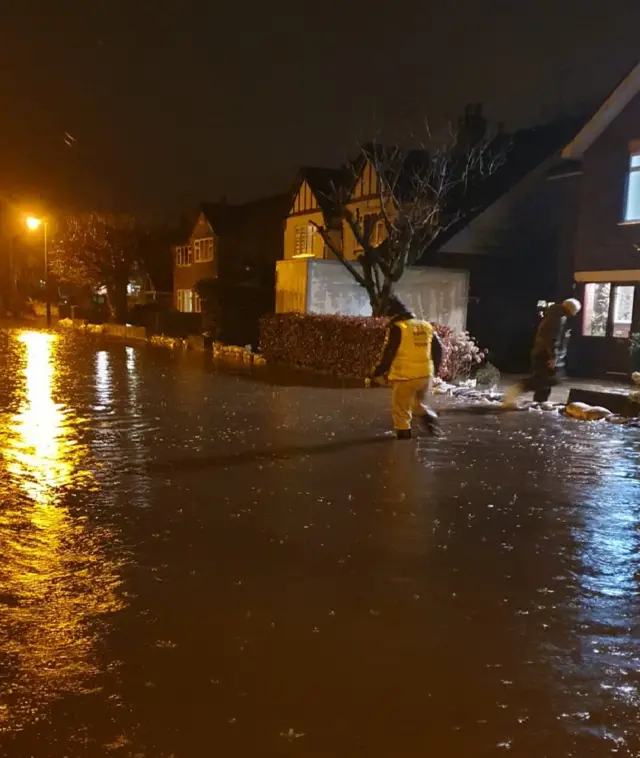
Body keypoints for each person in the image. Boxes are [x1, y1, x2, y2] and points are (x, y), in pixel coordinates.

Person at [371, 296, 443, 440]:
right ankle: (432, 422)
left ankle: (403, 449)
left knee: (401, 413)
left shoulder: (398, 328)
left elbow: (389, 352)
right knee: (417, 405)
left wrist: (377, 372)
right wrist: (434, 370)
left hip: (405, 376)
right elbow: (439, 349)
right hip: (425, 376)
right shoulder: (426, 326)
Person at [502, 298, 582, 406]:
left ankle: (539, 403)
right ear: (571, 309)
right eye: (576, 311)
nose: (576, 314)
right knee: (546, 379)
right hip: (545, 354)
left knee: (546, 381)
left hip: (544, 353)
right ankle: (519, 388)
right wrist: (553, 356)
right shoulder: (557, 318)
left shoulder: (556, 316)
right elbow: (551, 338)